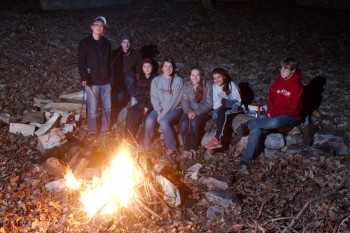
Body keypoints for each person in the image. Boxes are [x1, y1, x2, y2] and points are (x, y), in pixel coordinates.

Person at [239, 57, 303, 172]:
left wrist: (274, 113)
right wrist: (271, 111)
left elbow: (294, 109)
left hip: (290, 116)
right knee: (256, 130)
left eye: (285, 70)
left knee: (275, 121)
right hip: (274, 113)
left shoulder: (297, 86)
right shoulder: (279, 81)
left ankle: (248, 124)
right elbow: (271, 98)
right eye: (281, 68)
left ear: (292, 71)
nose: (281, 71)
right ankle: (246, 161)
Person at [78, 16, 112, 136]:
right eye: (97, 25)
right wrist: (84, 77)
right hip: (92, 81)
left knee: (107, 107)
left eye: (101, 26)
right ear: (92, 26)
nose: (99, 27)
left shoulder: (107, 43)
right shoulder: (85, 43)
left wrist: (110, 77)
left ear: (104, 29)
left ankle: (105, 129)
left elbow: (110, 61)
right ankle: (92, 131)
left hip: (106, 81)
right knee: (92, 109)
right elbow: (81, 61)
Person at [144, 57, 184, 157]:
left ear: (173, 68)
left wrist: (163, 114)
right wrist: (158, 111)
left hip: (174, 108)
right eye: (165, 66)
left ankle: (172, 147)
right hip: (160, 109)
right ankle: (146, 145)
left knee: (164, 121)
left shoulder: (178, 80)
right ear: (162, 68)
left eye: (170, 66)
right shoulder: (156, 80)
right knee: (149, 120)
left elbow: (175, 100)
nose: (168, 68)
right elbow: (154, 97)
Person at [204, 68, 243, 149]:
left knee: (224, 109)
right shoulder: (214, 86)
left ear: (224, 77)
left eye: (219, 77)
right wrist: (216, 110)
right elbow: (216, 101)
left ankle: (217, 139)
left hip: (235, 107)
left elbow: (238, 101)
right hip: (224, 106)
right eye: (214, 78)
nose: (216, 80)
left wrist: (227, 103)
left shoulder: (231, 84)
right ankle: (215, 140)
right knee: (219, 112)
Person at [180, 67, 213, 158]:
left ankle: (193, 148)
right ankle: (186, 148)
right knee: (183, 123)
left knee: (194, 122)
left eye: (197, 75)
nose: (195, 77)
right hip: (190, 110)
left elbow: (209, 103)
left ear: (201, 76)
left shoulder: (207, 85)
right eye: (192, 75)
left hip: (204, 112)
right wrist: (189, 111)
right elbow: (184, 101)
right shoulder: (187, 85)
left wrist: (196, 112)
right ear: (190, 76)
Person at [110, 32, 142, 120]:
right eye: (124, 42)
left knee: (130, 78)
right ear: (121, 43)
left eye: (128, 42)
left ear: (131, 43)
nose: (126, 44)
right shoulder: (115, 54)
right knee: (120, 98)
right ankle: (122, 104)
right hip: (118, 81)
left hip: (130, 80)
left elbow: (139, 70)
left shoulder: (136, 54)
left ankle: (133, 97)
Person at [124, 58, 157, 141]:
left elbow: (156, 96)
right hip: (142, 102)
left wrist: (148, 106)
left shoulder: (156, 79)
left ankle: (141, 141)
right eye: (145, 67)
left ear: (152, 67)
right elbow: (138, 94)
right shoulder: (140, 78)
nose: (147, 69)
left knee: (146, 118)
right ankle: (128, 139)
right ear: (142, 68)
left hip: (152, 102)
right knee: (131, 111)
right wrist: (139, 104)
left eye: (149, 66)